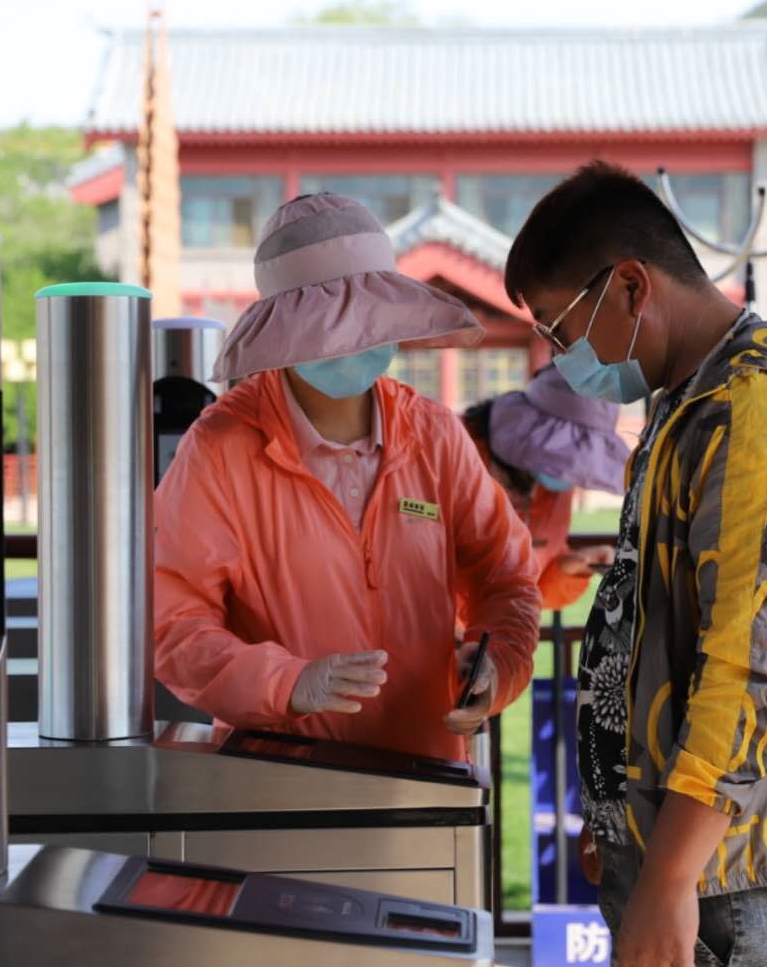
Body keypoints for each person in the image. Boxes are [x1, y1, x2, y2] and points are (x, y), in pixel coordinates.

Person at [503, 161, 767, 966]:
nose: (561, 357)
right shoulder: (687, 399)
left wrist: (668, 873)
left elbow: (745, 661)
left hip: (728, 874)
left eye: (560, 329)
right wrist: (623, 824)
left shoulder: (753, 411)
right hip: (678, 853)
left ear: (630, 287)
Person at [154, 193, 542, 762]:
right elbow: (172, 619)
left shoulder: (435, 434)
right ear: (283, 330)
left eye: (364, 320)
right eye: (326, 326)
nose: (351, 342)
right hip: (277, 782)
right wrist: (286, 683)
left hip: (427, 777)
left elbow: (506, 577)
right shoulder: (220, 448)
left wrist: (497, 665)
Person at [461, 365, 627, 611]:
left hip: (497, 635)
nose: (568, 475)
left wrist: (569, 566)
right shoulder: (454, 456)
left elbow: (534, 588)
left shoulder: (554, 482)